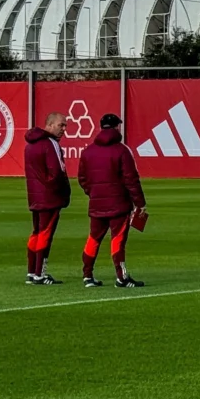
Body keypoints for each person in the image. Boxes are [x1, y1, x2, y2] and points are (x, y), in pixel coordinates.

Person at [78, 112, 146, 288]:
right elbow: (131, 179)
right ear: (117, 127)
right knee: (117, 240)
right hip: (119, 204)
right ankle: (121, 278)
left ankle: (87, 275)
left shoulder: (88, 151)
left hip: (96, 203)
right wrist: (140, 203)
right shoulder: (122, 150)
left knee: (93, 238)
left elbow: (82, 179)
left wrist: (93, 193)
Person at [23, 111, 71, 285]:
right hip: (50, 197)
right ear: (49, 125)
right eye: (61, 125)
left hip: (35, 196)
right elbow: (57, 172)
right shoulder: (51, 144)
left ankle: (31, 271)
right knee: (45, 234)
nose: (64, 129)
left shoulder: (30, 145)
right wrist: (64, 193)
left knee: (36, 232)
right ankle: (39, 273)